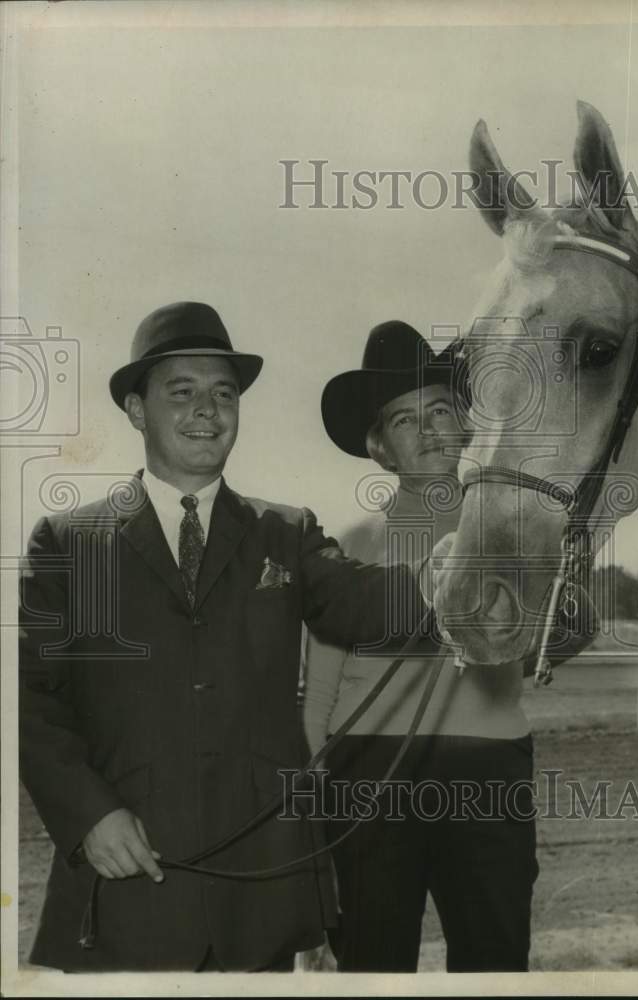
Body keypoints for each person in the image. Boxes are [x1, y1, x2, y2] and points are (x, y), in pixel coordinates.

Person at [18, 302, 431, 973]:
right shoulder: (71, 543)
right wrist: (90, 816)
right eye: (181, 392)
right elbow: (31, 701)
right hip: (129, 880)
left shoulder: (285, 532)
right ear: (134, 409)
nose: (206, 411)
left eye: (223, 394)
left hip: (258, 894)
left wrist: (473, 572)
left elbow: (367, 603)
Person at [303, 320, 596, 973]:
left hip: (486, 771)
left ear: (468, 423)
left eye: (441, 409)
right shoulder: (347, 544)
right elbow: (317, 694)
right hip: (366, 781)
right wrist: (311, 812)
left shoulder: (519, 529)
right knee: (373, 967)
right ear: (379, 448)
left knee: (493, 961)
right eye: (405, 421)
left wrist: (565, 582)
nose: (431, 429)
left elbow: (560, 634)